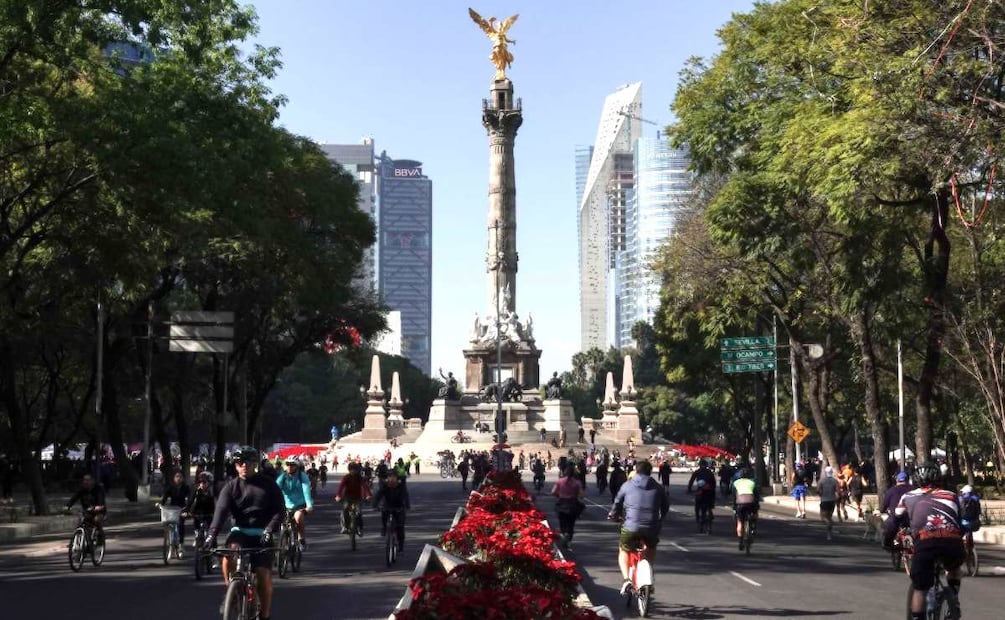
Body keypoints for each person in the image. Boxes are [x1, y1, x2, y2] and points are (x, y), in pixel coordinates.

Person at [206, 446, 284, 620]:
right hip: (240, 531)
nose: (243, 466)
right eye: (239, 463)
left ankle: (264, 614)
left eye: (247, 463)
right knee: (228, 555)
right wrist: (211, 535)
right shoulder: (231, 487)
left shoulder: (268, 484)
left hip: (263, 533)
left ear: (255, 464)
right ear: (235, 465)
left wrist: (270, 529)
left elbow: (280, 511)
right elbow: (220, 512)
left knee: (263, 574)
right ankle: (231, 592)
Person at [884, 462, 965, 620]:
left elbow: (893, 522)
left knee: (920, 588)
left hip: (926, 543)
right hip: (952, 542)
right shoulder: (952, 496)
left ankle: (917, 617)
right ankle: (953, 598)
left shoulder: (907, 497)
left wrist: (887, 542)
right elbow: (959, 523)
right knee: (954, 568)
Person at [609, 460, 669, 596]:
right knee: (651, 547)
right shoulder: (658, 487)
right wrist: (660, 518)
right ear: (650, 472)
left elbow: (617, 502)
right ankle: (649, 570)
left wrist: (613, 514)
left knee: (624, 550)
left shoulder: (627, 485)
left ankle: (626, 580)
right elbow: (665, 506)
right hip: (651, 526)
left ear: (636, 471)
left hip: (630, 526)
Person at [275, 457, 314, 549]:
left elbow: (306, 490)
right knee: (278, 520)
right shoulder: (283, 476)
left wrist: (309, 505)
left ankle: (302, 539)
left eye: (292, 465)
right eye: (287, 464)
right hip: (285, 505)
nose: (289, 466)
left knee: (298, 517)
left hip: (299, 504)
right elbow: (275, 489)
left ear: (296, 466)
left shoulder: (302, 476)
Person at [372, 469, 410, 550]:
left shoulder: (401, 486)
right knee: (384, 513)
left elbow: (405, 496)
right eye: (389, 477)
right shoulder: (385, 486)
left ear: (397, 478)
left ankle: (401, 543)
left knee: (400, 526)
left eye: (393, 477)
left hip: (399, 507)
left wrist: (406, 505)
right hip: (387, 506)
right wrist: (375, 505)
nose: (391, 479)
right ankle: (384, 527)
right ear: (387, 478)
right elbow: (378, 496)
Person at [157, 469, 191, 553]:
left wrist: (187, 508)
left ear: (183, 478)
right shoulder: (170, 487)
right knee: (170, 524)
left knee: (180, 526)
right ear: (174, 478)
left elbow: (189, 498)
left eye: (180, 477)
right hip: (172, 509)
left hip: (182, 509)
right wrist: (161, 504)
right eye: (177, 476)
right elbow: (165, 497)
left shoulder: (186, 488)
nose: (178, 478)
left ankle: (181, 544)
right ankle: (170, 543)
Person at [335, 462, 372, 535]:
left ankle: (360, 529)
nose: (353, 471)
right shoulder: (346, 477)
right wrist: (338, 495)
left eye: (355, 469)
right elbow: (341, 486)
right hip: (347, 497)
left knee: (359, 513)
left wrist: (368, 495)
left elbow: (365, 487)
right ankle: (344, 527)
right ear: (349, 470)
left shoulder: (360, 478)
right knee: (345, 510)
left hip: (357, 498)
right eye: (351, 469)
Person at [64, 472, 107, 536]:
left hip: (99, 511)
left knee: (96, 520)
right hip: (87, 511)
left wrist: (98, 507)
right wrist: (68, 506)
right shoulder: (82, 490)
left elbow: (101, 502)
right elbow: (74, 498)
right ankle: (76, 540)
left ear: (93, 481)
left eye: (88, 480)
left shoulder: (98, 489)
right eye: (84, 480)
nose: (85, 482)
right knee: (80, 522)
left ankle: (100, 537)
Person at [553, 464, 585, 548]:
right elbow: (581, 495)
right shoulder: (577, 482)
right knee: (571, 524)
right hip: (573, 504)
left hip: (562, 504)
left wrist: (559, 495)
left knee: (562, 522)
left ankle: (564, 533)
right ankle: (569, 538)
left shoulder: (560, 481)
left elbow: (553, 492)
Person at [184, 471, 216, 547]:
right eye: (200, 482)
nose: (202, 484)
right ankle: (197, 537)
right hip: (197, 514)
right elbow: (190, 501)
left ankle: (213, 549)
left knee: (211, 534)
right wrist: (186, 510)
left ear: (209, 483)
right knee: (197, 530)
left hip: (209, 514)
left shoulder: (212, 492)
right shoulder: (197, 491)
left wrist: (217, 513)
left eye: (204, 482)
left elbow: (217, 503)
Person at [731, 467, 761, 549]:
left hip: (740, 504)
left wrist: (734, 506)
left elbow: (734, 495)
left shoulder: (736, 483)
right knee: (755, 513)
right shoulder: (752, 482)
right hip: (751, 503)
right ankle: (753, 526)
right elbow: (756, 495)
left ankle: (740, 541)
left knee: (740, 522)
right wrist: (757, 504)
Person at [687, 460, 717, 526]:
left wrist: (689, 489)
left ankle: (698, 518)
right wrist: (713, 489)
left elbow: (691, 481)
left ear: (699, 465)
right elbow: (714, 483)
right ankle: (710, 509)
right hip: (710, 491)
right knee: (710, 502)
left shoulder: (697, 471)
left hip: (700, 491)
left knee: (697, 505)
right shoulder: (710, 472)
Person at [817, 466, 840, 541]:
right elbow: (838, 491)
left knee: (823, 518)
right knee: (829, 517)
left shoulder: (822, 481)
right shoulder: (835, 481)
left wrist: (821, 494)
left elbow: (818, 490)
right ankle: (829, 534)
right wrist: (836, 497)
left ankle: (829, 524)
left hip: (824, 500)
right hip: (832, 501)